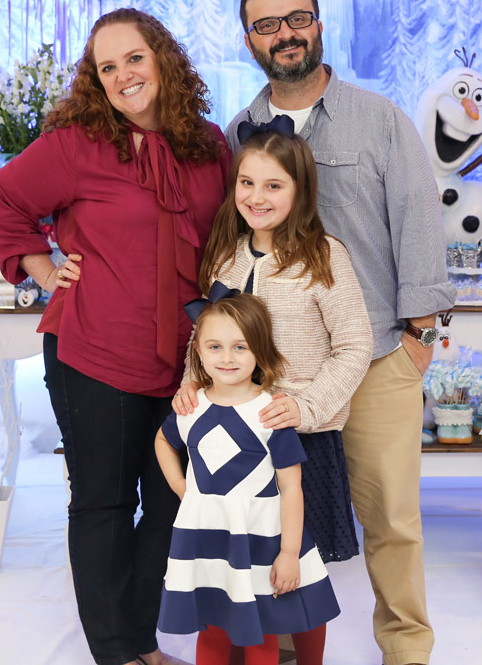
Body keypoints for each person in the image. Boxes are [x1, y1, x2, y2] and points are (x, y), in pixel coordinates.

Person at [0, 8, 230, 665]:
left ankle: (136, 634)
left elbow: (228, 240)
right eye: (107, 67)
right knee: (104, 504)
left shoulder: (209, 146)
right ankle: (122, 652)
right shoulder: (75, 145)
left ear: (163, 59)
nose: (124, 76)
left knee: (180, 500)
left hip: (185, 360)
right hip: (93, 351)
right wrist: (42, 268)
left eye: (134, 58)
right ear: (96, 80)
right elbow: (3, 201)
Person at [225, 0, 455, 665]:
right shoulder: (239, 132)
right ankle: (283, 650)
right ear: (249, 41)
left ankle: (406, 650)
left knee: (391, 519)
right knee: (278, 514)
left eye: (297, 18)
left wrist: (420, 335)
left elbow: (418, 220)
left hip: (378, 353)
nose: (285, 34)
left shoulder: (379, 119)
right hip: (280, 373)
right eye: (267, 25)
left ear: (319, 26)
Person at [172, 126, 374, 664]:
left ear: (300, 190)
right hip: (233, 443)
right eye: (247, 183)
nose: (257, 197)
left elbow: (355, 345)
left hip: (299, 439)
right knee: (241, 563)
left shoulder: (324, 257)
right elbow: (204, 335)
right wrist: (190, 384)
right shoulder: (226, 258)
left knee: (301, 569)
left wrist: (306, 408)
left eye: (274, 186)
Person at [155, 293, 341, 665]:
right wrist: (182, 488)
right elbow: (163, 440)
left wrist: (289, 553)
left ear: (259, 350)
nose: (227, 357)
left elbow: (290, 486)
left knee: (262, 631)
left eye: (240, 347)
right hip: (209, 537)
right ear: (199, 352)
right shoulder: (190, 407)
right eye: (215, 346)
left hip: (262, 537)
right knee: (212, 627)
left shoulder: (271, 412)